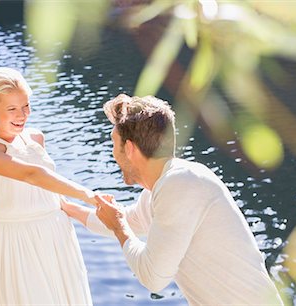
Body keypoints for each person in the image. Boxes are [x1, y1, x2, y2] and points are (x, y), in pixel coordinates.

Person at [61, 94, 284, 305]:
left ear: (129, 149)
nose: (113, 154)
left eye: (113, 143)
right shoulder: (162, 188)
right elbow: (125, 220)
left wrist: (119, 226)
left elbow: (153, 278)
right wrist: (67, 208)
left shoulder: (180, 185)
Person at [0, 67, 95, 305]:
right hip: (17, 242)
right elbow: (30, 174)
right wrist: (88, 194)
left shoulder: (36, 138)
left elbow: (49, 194)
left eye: (26, 106)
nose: (22, 115)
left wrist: (93, 215)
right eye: (12, 109)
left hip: (57, 235)